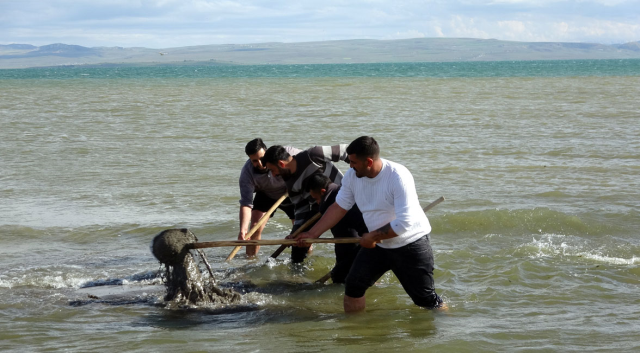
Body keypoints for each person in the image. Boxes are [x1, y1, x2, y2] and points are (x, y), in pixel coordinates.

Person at [297, 136, 444, 312]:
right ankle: (355, 333)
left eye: (353, 162)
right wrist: (312, 234)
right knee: (353, 287)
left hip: (410, 245)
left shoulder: (398, 176)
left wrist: (373, 236)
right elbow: (339, 207)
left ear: (368, 161)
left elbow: (404, 223)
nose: (349, 166)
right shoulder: (352, 176)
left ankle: (446, 325)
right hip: (379, 247)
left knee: (426, 300)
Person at [262, 143, 349, 263]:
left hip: (344, 200)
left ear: (281, 164)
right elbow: (301, 210)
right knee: (297, 245)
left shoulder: (313, 155)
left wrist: (359, 175)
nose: (273, 175)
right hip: (319, 209)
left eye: (272, 170)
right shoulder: (290, 184)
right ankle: (297, 278)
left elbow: (346, 151)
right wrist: (295, 233)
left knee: (346, 246)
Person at [238, 138, 300, 256]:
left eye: (262, 159)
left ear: (267, 152)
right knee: (254, 227)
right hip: (266, 193)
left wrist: (295, 182)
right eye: (255, 161)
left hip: (290, 192)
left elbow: (306, 162)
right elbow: (246, 203)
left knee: (299, 228)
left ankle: (305, 256)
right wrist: (242, 230)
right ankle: (250, 262)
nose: (260, 164)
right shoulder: (247, 173)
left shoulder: (286, 153)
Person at [306, 174, 368, 283]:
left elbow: (344, 239)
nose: (317, 203)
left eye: (316, 199)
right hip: (371, 236)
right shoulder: (342, 190)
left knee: (341, 278)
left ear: (322, 191)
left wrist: (339, 269)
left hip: (359, 241)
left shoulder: (331, 203)